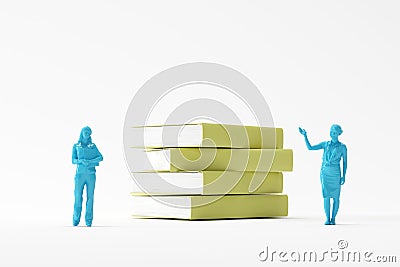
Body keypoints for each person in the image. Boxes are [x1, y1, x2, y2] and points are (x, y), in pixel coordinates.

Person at [299, 124, 347, 225]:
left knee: (336, 197)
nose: (332, 134)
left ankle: (333, 218)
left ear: (338, 134)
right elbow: (310, 148)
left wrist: (344, 176)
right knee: (326, 196)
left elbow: (345, 162)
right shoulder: (326, 144)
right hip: (325, 173)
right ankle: (327, 218)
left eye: (334, 133)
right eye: (331, 132)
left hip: (335, 173)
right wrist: (305, 136)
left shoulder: (342, 147)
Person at [72, 126, 103, 227]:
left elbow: (101, 157)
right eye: (85, 132)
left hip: (90, 174)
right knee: (77, 197)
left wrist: (90, 162)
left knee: (90, 198)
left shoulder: (93, 146)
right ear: (82, 133)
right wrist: (80, 161)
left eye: (89, 132)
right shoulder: (76, 146)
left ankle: (88, 220)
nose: (87, 134)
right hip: (79, 174)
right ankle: (75, 219)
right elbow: (73, 160)